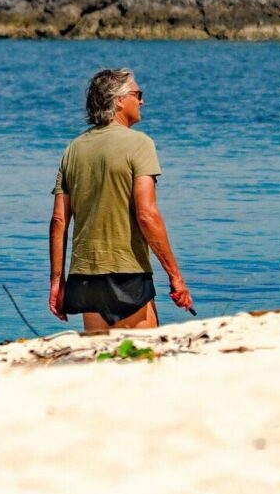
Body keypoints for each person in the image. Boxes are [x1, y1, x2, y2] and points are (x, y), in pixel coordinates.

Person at [48, 67, 193, 331]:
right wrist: (175, 276)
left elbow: (59, 220)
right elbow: (147, 215)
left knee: (102, 364)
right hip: (126, 275)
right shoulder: (140, 144)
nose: (142, 101)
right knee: (143, 363)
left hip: (84, 279)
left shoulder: (73, 149)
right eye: (137, 94)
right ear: (118, 100)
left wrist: (57, 282)